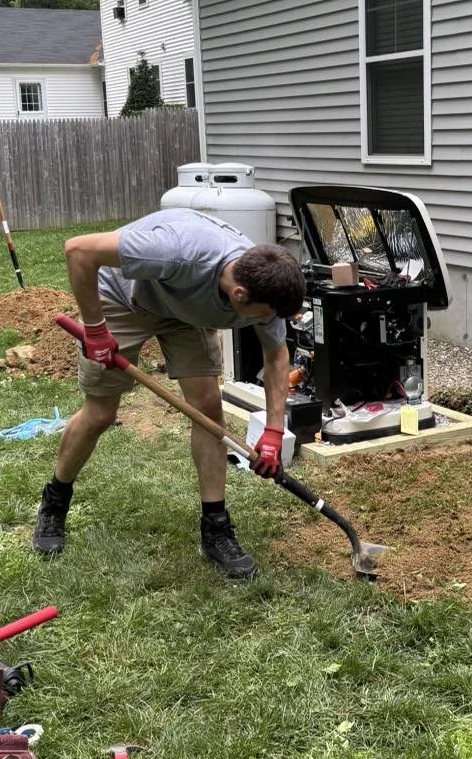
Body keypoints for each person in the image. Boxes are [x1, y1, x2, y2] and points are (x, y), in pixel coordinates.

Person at [31, 208, 306, 579]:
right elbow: (78, 250)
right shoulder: (177, 250)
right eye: (260, 317)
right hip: (124, 299)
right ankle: (55, 500)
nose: (265, 323)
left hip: (186, 314)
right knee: (100, 414)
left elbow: (276, 357)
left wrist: (273, 432)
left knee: (208, 410)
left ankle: (215, 529)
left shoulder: (267, 287)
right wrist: (95, 329)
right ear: (239, 294)